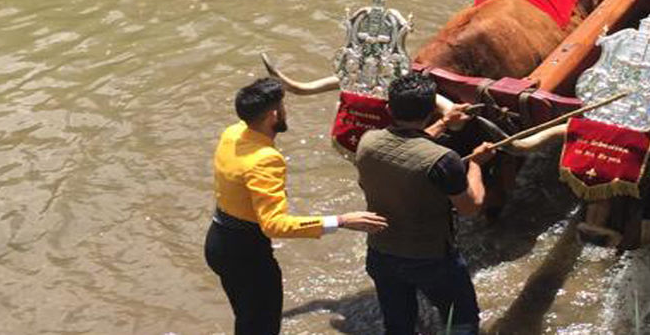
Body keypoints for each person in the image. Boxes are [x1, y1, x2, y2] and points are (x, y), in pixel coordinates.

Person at [206, 78, 388, 335]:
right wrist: (342, 221)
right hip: (246, 253)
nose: (286, 111)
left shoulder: (233, 133)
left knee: (248, 318)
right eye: (283, 106)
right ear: (273, 114)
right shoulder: (265, 160)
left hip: (219, 240)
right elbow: (274, 225)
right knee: (262, 325)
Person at [357, 73, 496, 335]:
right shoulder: (444, 159)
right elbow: (471, 206)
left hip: (380, 254)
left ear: (389, 109)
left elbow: (407, 146)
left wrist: (444, 122)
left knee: (398, 326)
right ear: (430, 110)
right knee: (461, 322)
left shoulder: (367, 142)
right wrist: (476, 164)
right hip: (431, 259)